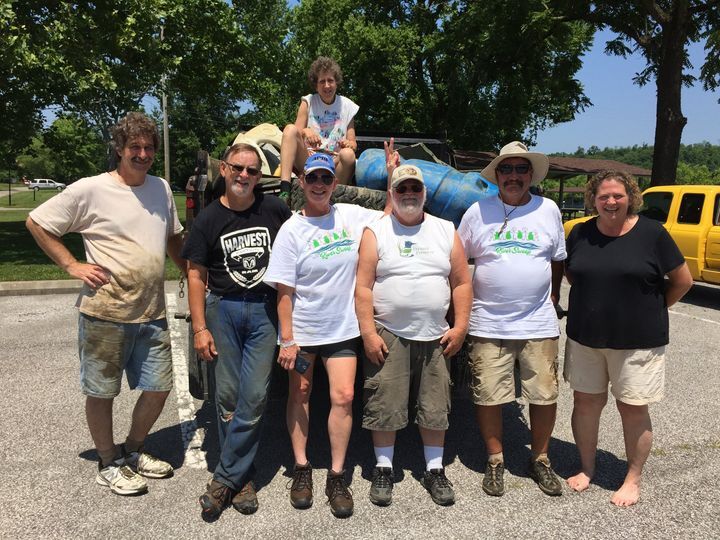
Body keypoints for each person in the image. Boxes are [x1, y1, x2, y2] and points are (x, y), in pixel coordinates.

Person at [25, 112, 185, 496]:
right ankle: (107, 462)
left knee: (160, 387)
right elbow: (37, 222)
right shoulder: (91, 189)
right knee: (102, 391)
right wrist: (71, 264)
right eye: (135, 147)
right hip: (105, 312)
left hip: (151, 312)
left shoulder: (161, 188)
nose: (143, 154)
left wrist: (192, 272)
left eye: (149, 147)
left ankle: (132, 449)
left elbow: (173, 238)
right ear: (119, 149)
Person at [264, 148, 392, 518]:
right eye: (312, 178)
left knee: (344, 396)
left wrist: (388, 174)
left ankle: (337, 475)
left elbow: (388, 214)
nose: (319, 184)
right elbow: (284, 292)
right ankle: (302, 468)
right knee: (300, 392)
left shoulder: (350, 215)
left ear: (335, 184)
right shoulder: (291, 229)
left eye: (325, 178)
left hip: (342, 330)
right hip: (304, 332)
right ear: (302, 183)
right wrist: (287, 338)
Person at [563, 170, 692, 507]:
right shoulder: (579, 233)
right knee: (586, 403)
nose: (610, 201)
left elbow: (682, 280)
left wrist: (651, 306)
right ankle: (587, 468)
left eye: (618, 195)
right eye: (603, 196)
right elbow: (573, 274)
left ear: (630, 197)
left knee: (632, 408)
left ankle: (632, 479)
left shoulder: (652, 233)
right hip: (586, 338)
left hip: (638, 341)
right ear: (593, 199)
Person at [182, 143, 292, 519]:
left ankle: (224, 479)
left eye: (253, 171)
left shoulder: (275, 211)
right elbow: (195, 275)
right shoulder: (209, 219)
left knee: (256, 396)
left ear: (260, 177)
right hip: (223, 310)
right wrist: (200, 328)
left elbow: (300, 243)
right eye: (239, 168)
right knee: (227, 397)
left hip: (264, 311)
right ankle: (243, 479)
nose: (245, 176)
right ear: (225, 170)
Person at [355, 164, 472, 507]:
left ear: (424, 194)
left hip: (436, 335)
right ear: (391, 194)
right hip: (388, 332)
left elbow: (462, 282)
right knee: (384, 402)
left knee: (435, 405)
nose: (409, 194)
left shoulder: (445, 229)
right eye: (402, 188)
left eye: (415, 189)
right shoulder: (375, 230)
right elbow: (363, 287)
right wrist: (367, 332)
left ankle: (434, 469)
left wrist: (461, 326)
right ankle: (383, 467)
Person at [458, 141, 566, 498]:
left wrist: (554, 295)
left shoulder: (548, 209)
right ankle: (495, 459)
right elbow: (459, 261)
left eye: (522, 169)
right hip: (488, 321)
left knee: (544, 394)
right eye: (508, 170)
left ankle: (540, 458)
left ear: (531, 175)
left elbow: (557, 258)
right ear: (497, 176)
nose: (514, 176)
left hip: (538, 322)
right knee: (488, 395)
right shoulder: (478, 211)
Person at [278, 56, 358, 202]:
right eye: (322, 81)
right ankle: (285, 189)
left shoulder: (348, 106)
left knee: (348, 154)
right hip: (309, 159)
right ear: (316, 85)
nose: (327, 86)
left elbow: (353, 143)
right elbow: (295, 132)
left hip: (333, 162)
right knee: (289, 129)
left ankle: (336, 195)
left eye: (330, 81)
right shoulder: (308, 101)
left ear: (336, 83)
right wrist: (306, 131)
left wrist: (348, 144)